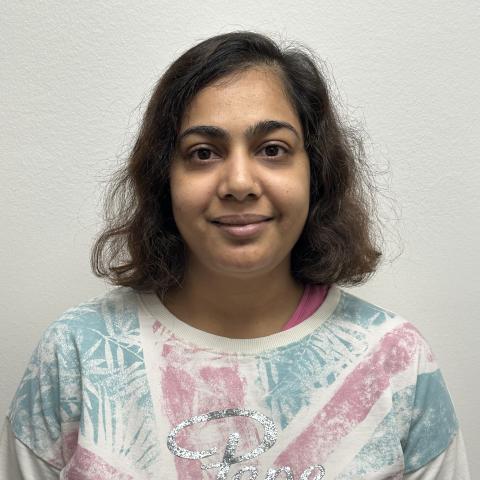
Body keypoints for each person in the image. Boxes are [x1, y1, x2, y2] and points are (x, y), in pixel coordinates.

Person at [0, 30, 470, 479]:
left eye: (272, 149)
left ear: (317, 171)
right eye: (203, 153)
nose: (240, 184)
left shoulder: (395, 359)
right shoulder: (76, 354)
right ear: (163, 178)